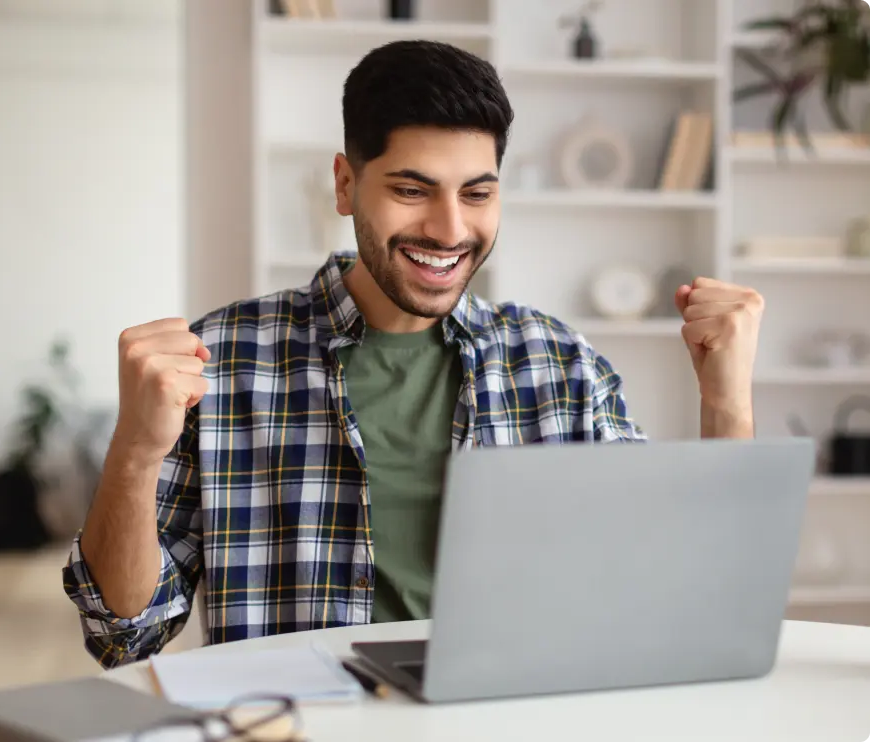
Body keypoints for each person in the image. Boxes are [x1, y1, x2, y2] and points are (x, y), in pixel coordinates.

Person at [63, 40, 764, 668]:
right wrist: (133, 450)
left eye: (477, 193)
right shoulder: (223, 361)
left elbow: (679, 600)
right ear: (345, 184)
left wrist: (724, 401)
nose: (450, 229)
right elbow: (124, 633)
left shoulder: (557, 366)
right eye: (410, 189)